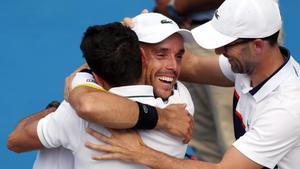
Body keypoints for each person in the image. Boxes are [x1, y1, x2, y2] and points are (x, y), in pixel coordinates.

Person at [83, 0, 300, 168]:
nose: (218, 52)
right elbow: (192, 66)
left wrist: (141, 152)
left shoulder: (286, 108)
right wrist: (134, 39)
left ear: (258, 45)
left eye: (226, 45)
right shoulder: (256, 65)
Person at [7, 14, 195, 168]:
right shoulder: (181, 100)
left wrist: (54, 111)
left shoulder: (76, 114)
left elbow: (15, 140)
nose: (173, 66)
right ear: (140, 56)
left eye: (178, 56)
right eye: (161, 54)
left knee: (56, 147)